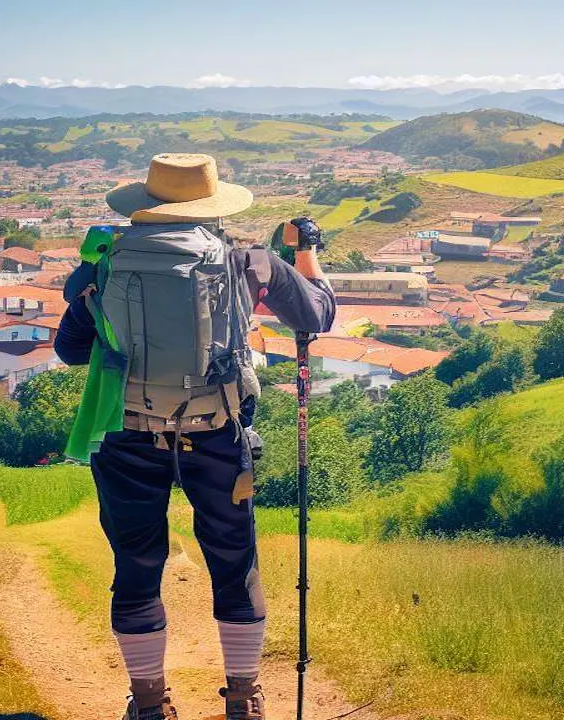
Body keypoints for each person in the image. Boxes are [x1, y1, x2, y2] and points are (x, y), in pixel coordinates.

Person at [54, 153, 336, 720]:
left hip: (127, 432)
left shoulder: (102, 264)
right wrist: (304, 254)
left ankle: (149, 702)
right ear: (213, 204)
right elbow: (317, 316)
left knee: (136, 563)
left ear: (145, 204)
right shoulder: (246, 261)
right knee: (235, 561)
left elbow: (69, 350)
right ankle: (243, 697)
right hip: (217, 431)